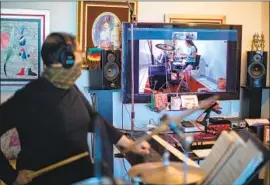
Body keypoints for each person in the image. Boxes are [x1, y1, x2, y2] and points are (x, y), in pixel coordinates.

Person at [0, 32, 150, 185]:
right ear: (63, 60)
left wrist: (129, 143)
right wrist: (11, 177)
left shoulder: (70, 88)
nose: (81, 59)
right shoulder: (28, 97)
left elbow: (94, 118)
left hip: (81, 177)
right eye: (77, 53)